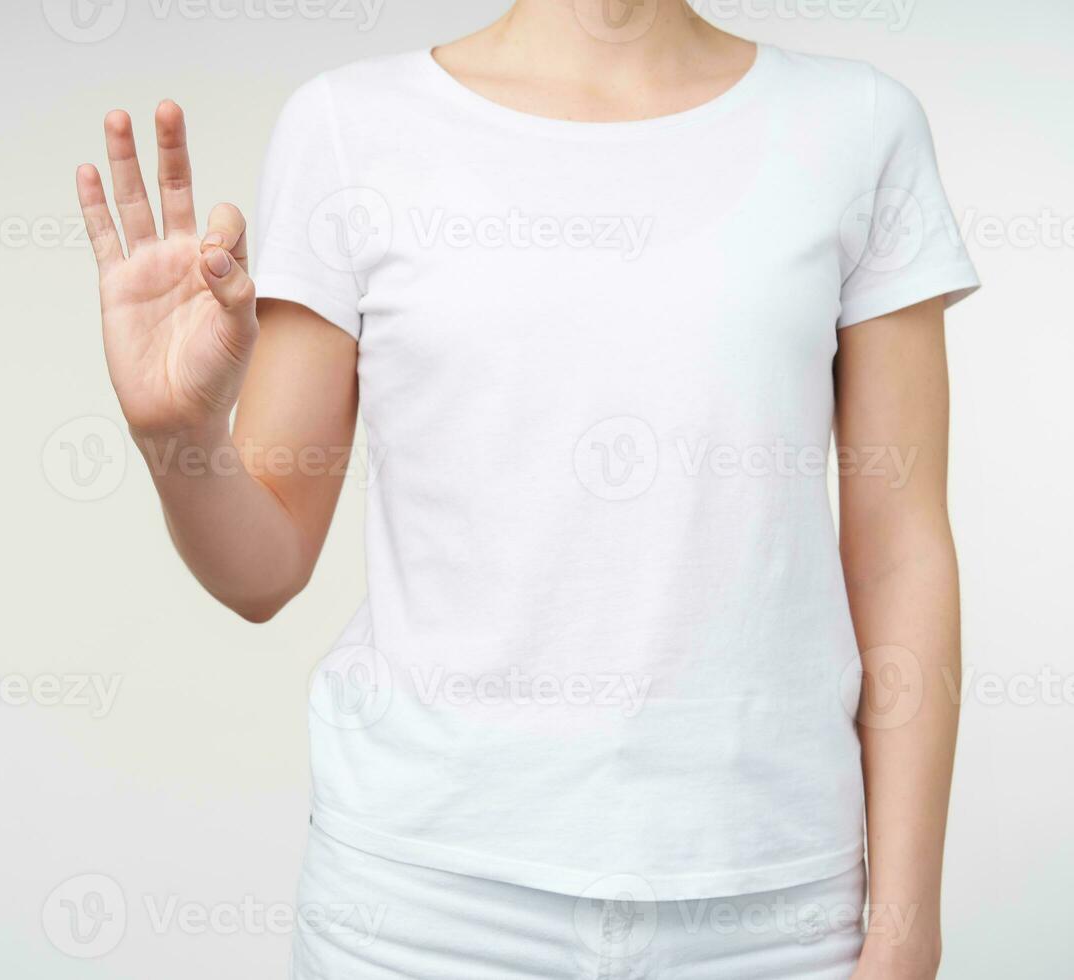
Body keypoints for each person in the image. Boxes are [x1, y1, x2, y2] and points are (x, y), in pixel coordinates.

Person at [73, 1, 977, 976]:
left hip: (771, 910)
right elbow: (264, 567)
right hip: (423, 908)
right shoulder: (349, 127)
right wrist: (179, 437)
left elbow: (898, 550)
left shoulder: (859, 125)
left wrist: (906, 928)